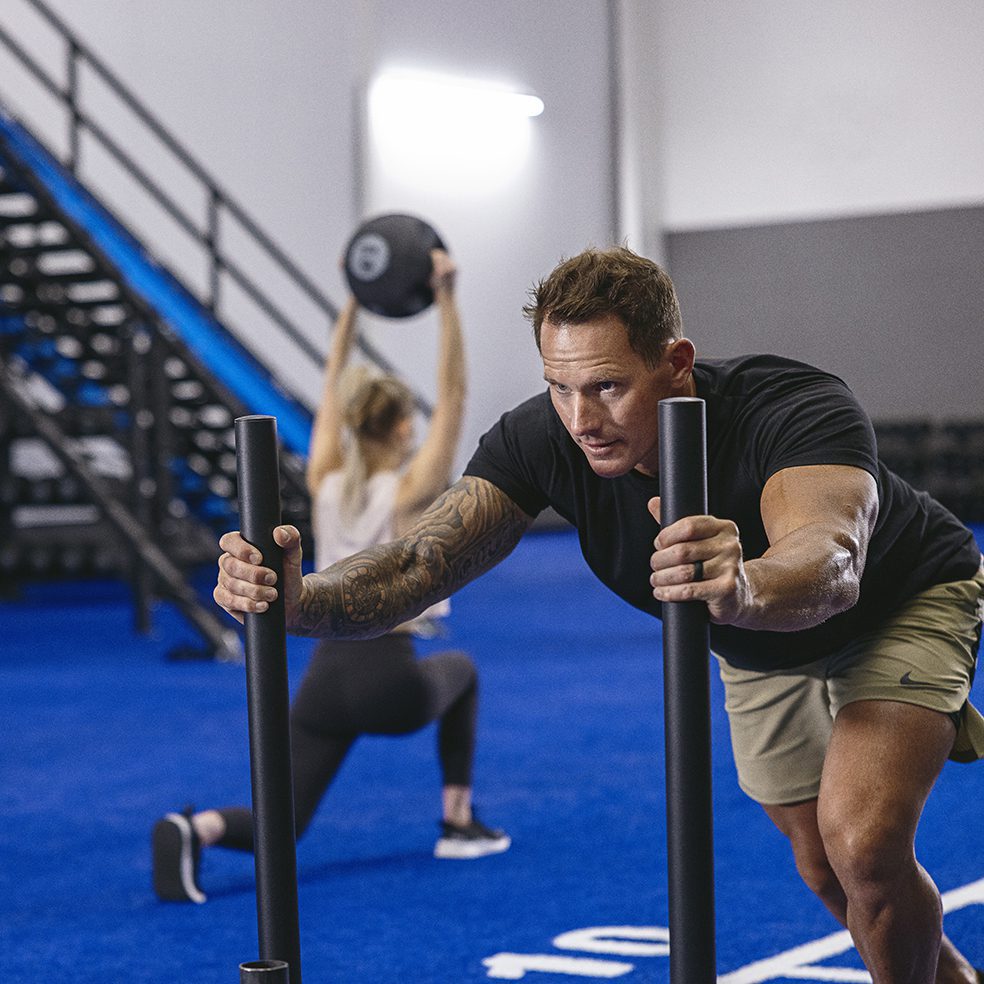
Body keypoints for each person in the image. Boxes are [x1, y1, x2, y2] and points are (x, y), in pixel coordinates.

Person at [213, 246, 984, 982]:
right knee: (822, 864)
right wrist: (299, 602)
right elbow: (423, 563)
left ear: (676, 362)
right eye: (560, 386)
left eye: (608, 387)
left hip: (900, 601)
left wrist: (742, 585)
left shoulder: (789, 405)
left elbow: (832, 558)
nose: (581, 418)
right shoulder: (544, 438)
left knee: (864, 844)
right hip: (758, 647)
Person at [153, 249, 509, 905]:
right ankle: (458, 822)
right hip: (391, 676)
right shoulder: (410, 490)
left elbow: (328, 389)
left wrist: (352, 301)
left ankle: (194, 828)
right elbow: (455, 396)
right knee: (463, 674)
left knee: (283, 823)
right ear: (404, 428)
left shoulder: (325, 477)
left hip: (322, 675)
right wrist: (449, 300)